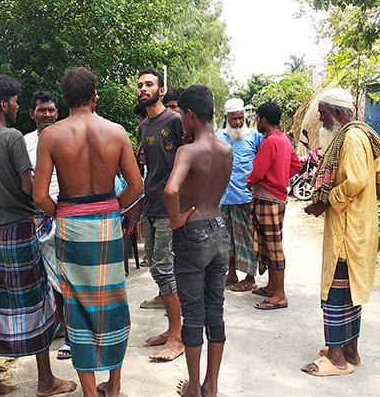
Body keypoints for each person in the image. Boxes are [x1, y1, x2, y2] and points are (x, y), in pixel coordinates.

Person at [33, 67, 142, 397]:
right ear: (95, 96)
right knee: (112, 303)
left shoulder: (50, 136)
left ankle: (91, 392)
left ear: (64, 99)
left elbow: (39, 197)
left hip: (71, 225)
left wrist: (65, 212)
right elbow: (136, 187)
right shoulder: (117, 132)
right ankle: (116, 384)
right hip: (107, 224)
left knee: (78, 306)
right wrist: (109, 208)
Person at [0, 74, 76, 397]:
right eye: (15, 101)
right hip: (20, 230)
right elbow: (30, 188)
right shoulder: (13, 137)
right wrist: (45, 203)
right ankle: (46, 381)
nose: (17, 105)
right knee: (36, 301)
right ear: (4, 104)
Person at [301, 88, 380, 376]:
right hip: (359, 227)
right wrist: (365, 202)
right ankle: (350, 352)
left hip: (347, 231)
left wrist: (327, 202)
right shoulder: (364, 134)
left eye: (324, 116)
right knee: (351, 292)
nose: (321, 122)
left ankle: (336, 359)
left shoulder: (352, 138)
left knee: (335, 293)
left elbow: (355, 182)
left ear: (339, 114)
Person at [164, 85, 232, 397]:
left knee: (193, 314)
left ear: (190, 115)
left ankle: (193, 387)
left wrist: (177, 219)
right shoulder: (226, 150)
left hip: (192, 234)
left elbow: (170, 190)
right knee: (214, 311)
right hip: (219, 230)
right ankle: (212, 386)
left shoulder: (187, 151)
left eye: (180, 115)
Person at [136, 68, 185, 361]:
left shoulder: (175, 121)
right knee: (155, 266)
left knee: (165, 267)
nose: (143, 89)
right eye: (140, 85)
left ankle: (178, 336)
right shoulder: (143, 127)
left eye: (149, 84)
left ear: (161, 91)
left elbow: (189, 159)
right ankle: (171, 329)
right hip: (150, 204)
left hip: (170, 206)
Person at [22, 91, 71, 359]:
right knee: (49, 280)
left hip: (64, 212)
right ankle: (62, 327)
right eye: (42, 110)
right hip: (36, 217)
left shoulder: (66, 135)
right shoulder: (24, 142)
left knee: (68, 277)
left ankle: (74, 334)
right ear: (32, 114)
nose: (48, 114)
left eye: (52, 110)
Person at [246, 103, 302, 310]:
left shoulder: (269, 142)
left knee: (273, 245)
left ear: (263, 120)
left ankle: (280, 294)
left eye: (257, 119)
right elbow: (296, 165)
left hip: (267, 199)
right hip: (277, 197)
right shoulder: (285, 140)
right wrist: (280, 178)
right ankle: (271, 286)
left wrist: (250, 181)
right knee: (271, 243)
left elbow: (258, 171)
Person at [215, 98, 263, 292]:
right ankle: (231, 273)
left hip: (246, 198)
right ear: (226, 118)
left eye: (241, 118)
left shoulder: (255, 138)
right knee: (227, 240)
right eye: (234, 119)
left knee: (248, 239)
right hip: (224, 198)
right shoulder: (218, 137)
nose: (237, 123)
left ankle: (250, 277)